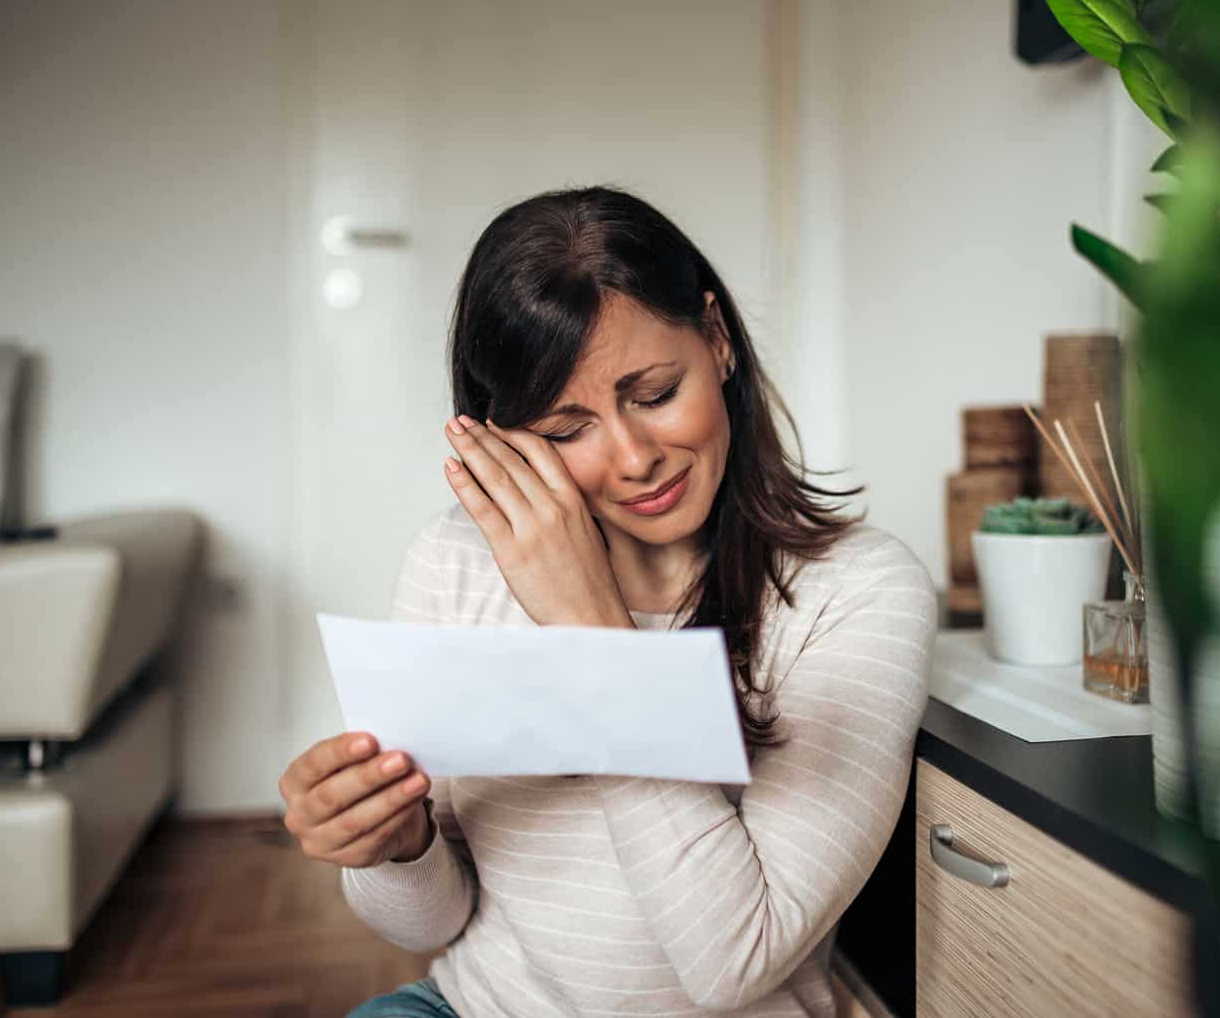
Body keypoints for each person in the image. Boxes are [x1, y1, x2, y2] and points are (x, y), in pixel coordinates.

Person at [278, 186, 937, 1018]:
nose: (634, 458)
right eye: (565, 429)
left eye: (657, 393)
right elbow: (436, 921)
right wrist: (393, 845)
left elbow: (734, 961)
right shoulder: (454, 561)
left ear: (719, 340)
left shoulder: (858, 589)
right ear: (502, 436)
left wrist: (592, 632)